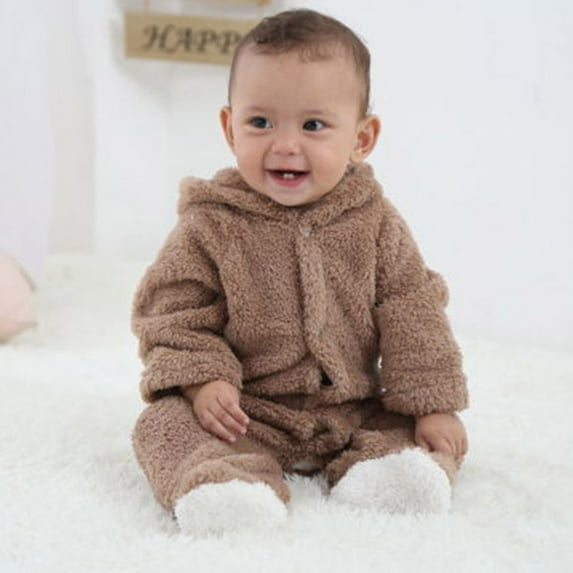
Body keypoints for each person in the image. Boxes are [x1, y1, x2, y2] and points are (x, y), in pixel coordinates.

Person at [131, 9, 468, 536]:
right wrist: (202, 382)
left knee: (415, 431)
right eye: (260, 123)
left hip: (353, 409)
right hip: (246, 413)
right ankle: (226, 485)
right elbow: (173, 312)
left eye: (313, 126)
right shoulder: (211, 224)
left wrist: (433, 405)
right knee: (164, 424)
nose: (285, 145)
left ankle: (384, 472)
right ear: (230, 128)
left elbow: (413, 311)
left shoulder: (375, 223)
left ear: (361, 138)